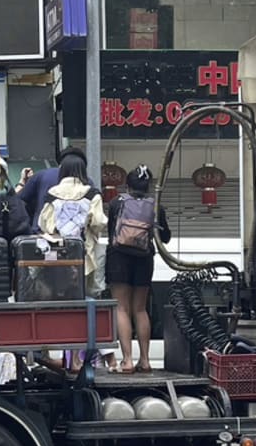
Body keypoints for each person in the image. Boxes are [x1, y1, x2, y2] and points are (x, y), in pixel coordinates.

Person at [106, 165, 171, 374]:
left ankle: (126, 360)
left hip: (119, 258)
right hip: (144, 259)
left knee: (122, 308)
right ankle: (145, 360)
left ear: (127, 184)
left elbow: (111, 233)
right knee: (140, 309)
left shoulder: (117, 202)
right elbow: (166, 237)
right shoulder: (156, 206)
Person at [38, 153, 107, 297]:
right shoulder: (92, 194)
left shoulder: (52, 193)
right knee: (84, 294)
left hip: (57, 254)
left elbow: (43, 223)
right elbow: (99, 222)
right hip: (84, 253)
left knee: (56, 293)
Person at [16, 147, 87, 233]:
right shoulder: (87, 183)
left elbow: (17, 200)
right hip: (77, 238)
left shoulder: (41, 175)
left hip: (42, 234)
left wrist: (21, 183)